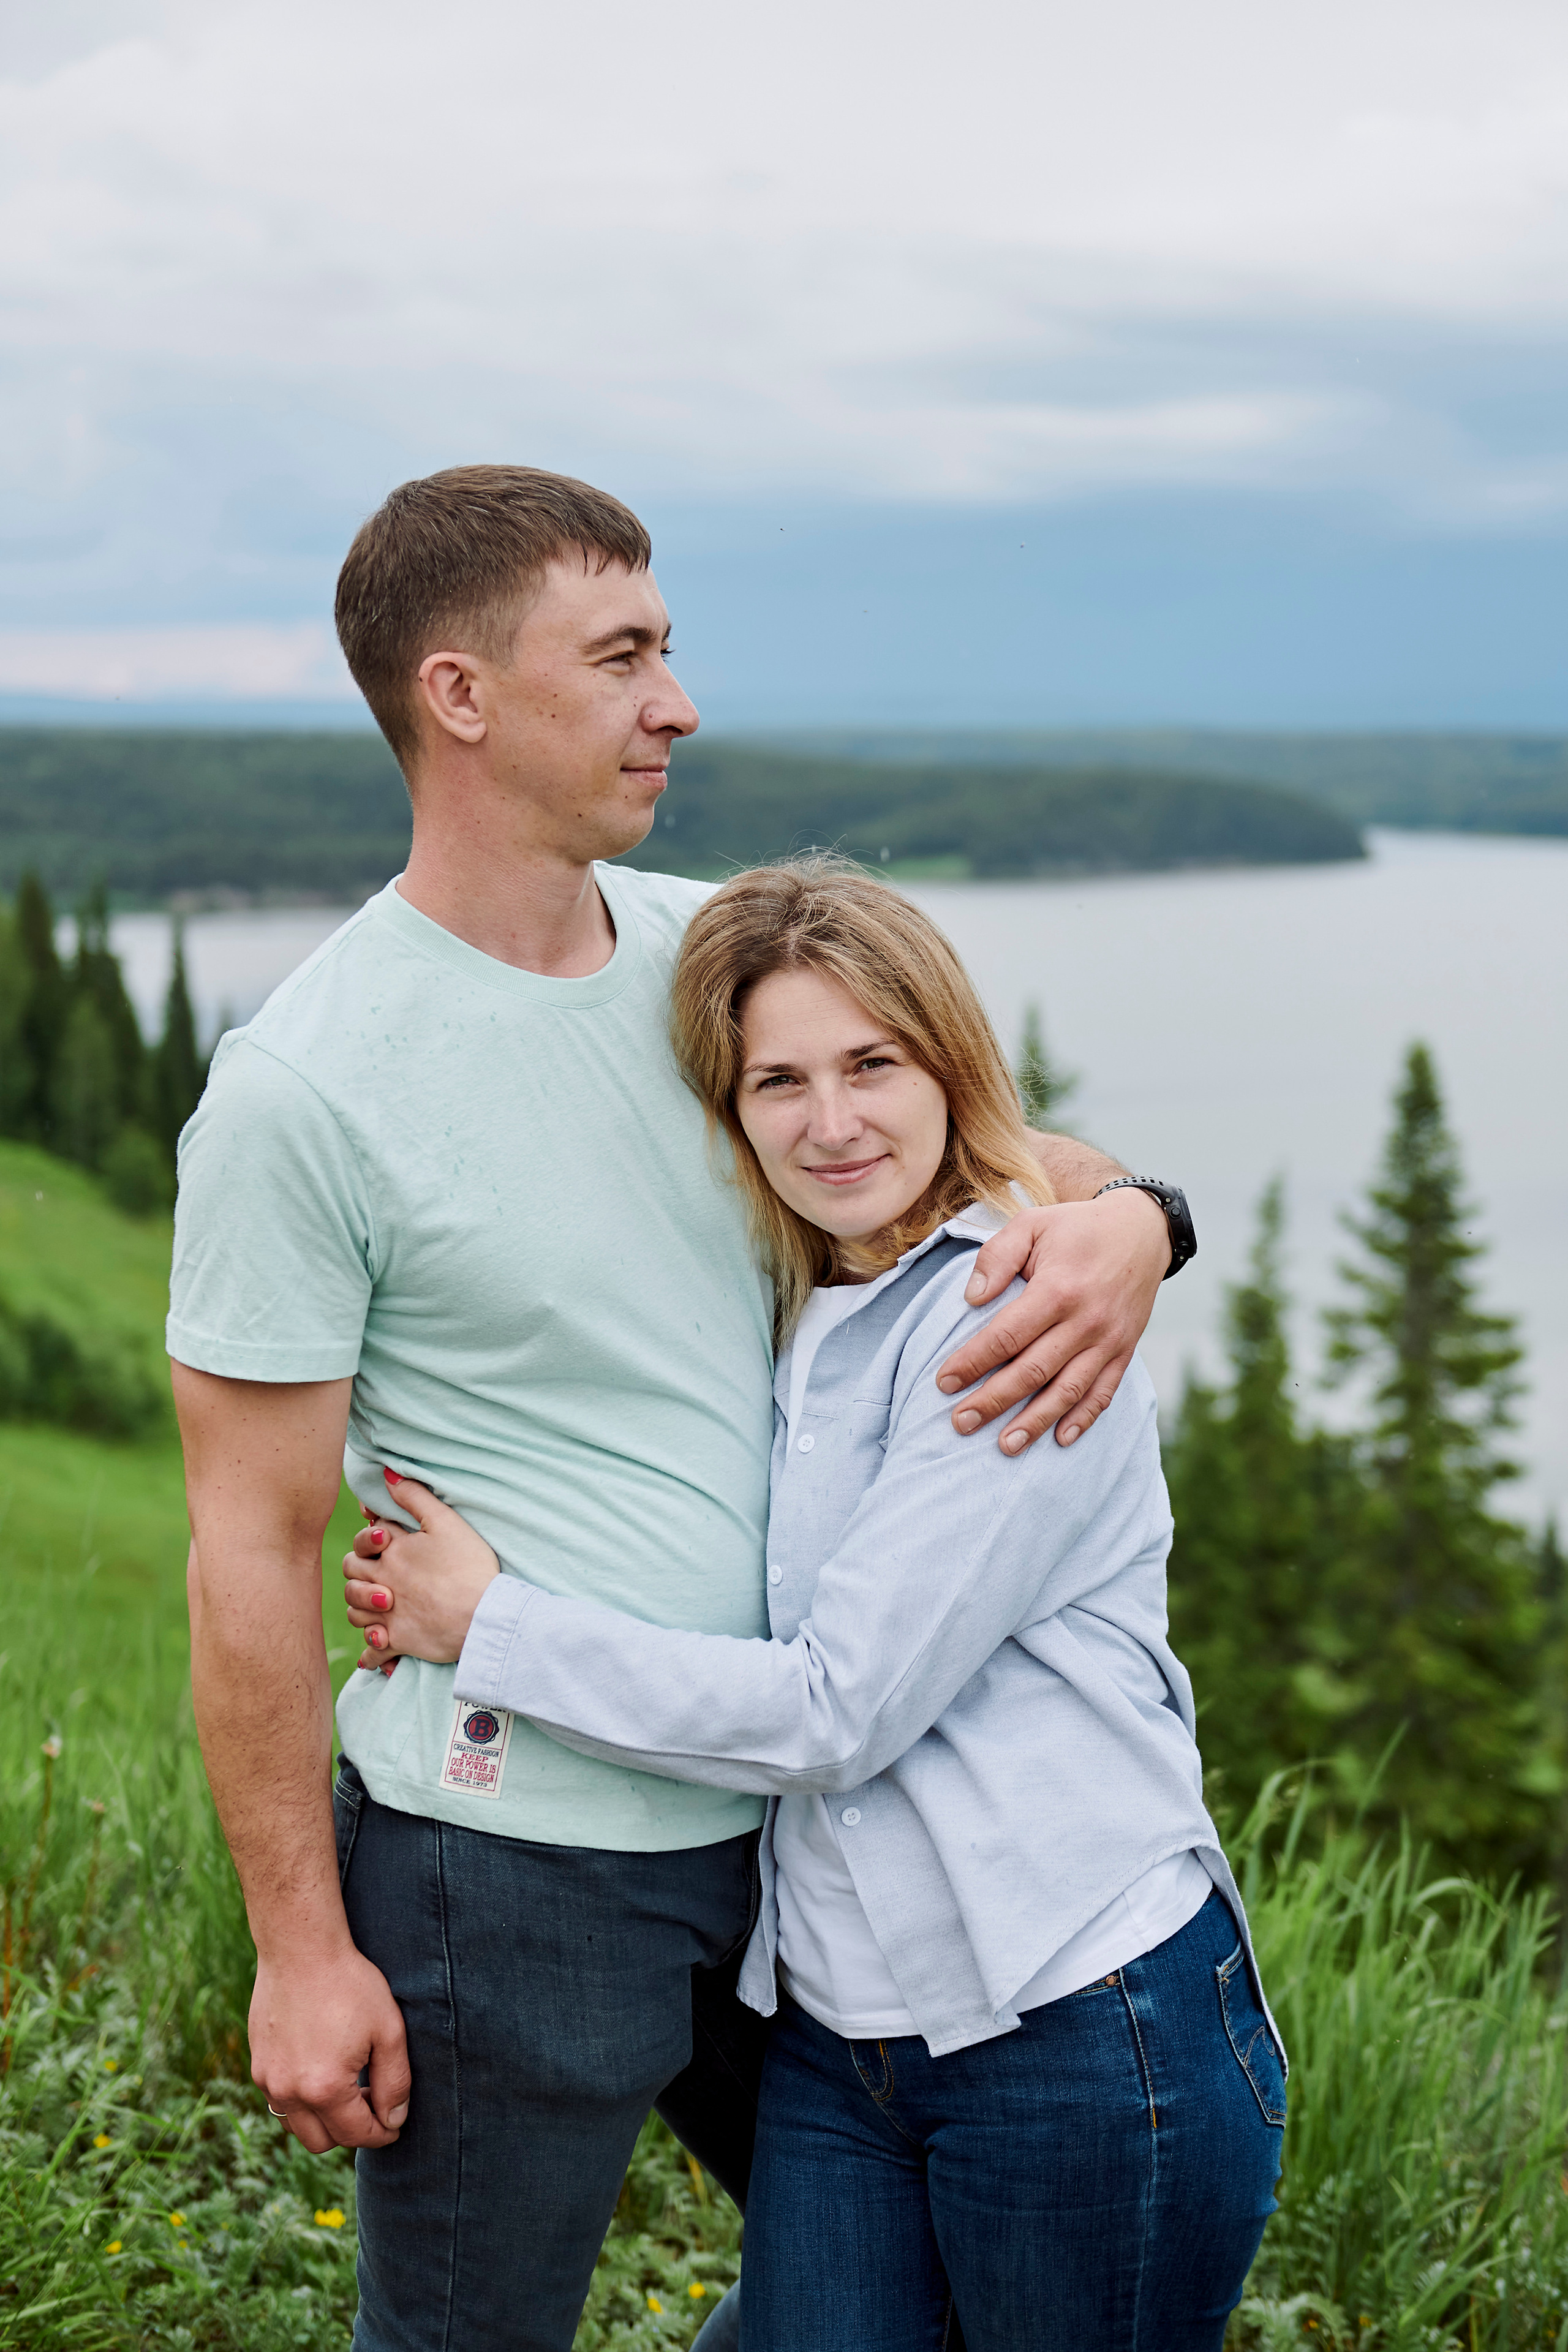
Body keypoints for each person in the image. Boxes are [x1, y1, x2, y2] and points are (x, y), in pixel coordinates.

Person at [168, 465, 1183, 2352]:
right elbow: (252, 1548)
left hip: (805, 1849)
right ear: (462, 695)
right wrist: (302, 1952)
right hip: (512, 1870)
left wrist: (1136, 1219)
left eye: (669, 648)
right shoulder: (305, 1089)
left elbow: (988, 1150)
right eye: (624, 654)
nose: (678, 700)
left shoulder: (714, 959)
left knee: (887, 2313)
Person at [340, 859, 1284, 2352]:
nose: (828, 1122)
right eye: (777, 1080)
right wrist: (1137, 1204)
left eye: (871, 1064)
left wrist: (491, 1625)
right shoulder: (803, 1293)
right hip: (844, 2040)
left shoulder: (1009, 1319)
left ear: (948, 1064)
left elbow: (836, 1709)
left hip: (1080, 2022)